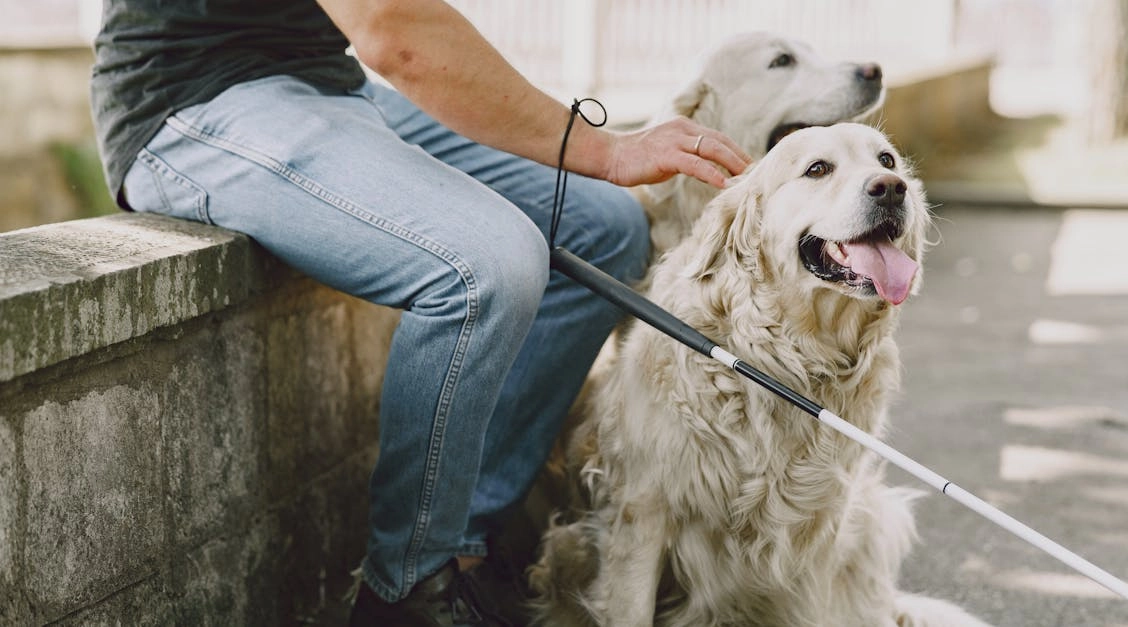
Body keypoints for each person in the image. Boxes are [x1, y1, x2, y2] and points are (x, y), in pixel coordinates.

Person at [90, 0, 749, 625]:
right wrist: (608, 150)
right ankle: (407, 591)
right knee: (485, 263)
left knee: (602, 227)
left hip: (325, 83)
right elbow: (394, 30)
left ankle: (463, 544)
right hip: (193, 98)